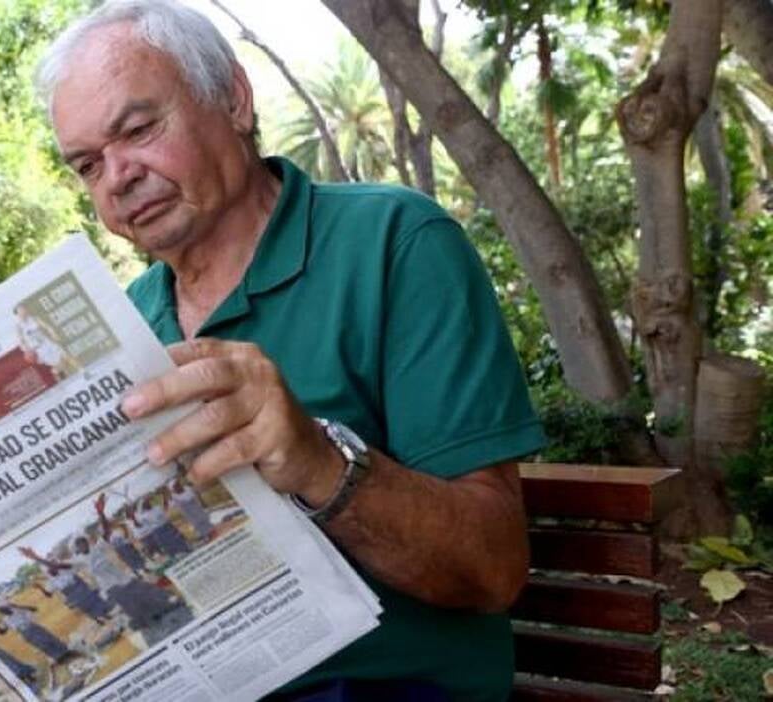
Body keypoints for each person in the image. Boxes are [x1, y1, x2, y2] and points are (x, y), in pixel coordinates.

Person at [35, 2, 547, 701]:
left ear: (234, 99)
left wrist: (319, 462)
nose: (117, 177)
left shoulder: (393, 242)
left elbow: (492, 568)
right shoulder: (124, 324)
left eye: (138, 129)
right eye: (88, 165)